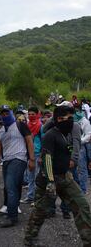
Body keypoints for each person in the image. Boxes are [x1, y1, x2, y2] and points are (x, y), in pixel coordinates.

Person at [24, 105, 91, 246]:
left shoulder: (67, 133)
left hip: (65, 177)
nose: (71, 121)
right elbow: (47, 159)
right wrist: (50, 182)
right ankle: (29, 239)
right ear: (59, 119)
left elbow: (73, 146)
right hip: (48, 179)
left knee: (82, 206)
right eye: (68, 118)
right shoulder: (50, 135)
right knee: (40, 211)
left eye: (72, 118)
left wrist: (73, 159)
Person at [0, 105, 35, 228]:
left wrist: (32, 159)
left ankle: (12, 217)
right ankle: (13, 209)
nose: (5, 115)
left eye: (7, 113)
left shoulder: (20, 125)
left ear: (11, 113)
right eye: (3, 114)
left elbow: (29, 140)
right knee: (13, 186)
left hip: (19, 158)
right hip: (6, 160)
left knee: (10, 185)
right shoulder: (0, 130)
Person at [21, 106, 43, 204]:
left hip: (37, 153)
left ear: (37, 114)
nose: (31, 116)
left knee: (37, 177)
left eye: (33, 114)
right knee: (30, 176)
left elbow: (43, 141)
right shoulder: (26, 125)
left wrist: (42, 155)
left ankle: (37, 198)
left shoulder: (40, 126)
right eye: (29, 114)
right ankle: (30, 196)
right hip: (28, 154)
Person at [73, 104, 91, 194]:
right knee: (73, 169)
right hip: (71, 147)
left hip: (81, 148)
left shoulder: (85, 121)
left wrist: (79, 141)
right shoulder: (71, 120)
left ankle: (83, 190)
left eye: (77, 111)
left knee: (82, 169)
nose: (76, 113)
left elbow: (88, 135)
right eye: (74, 111)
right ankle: (76, 189)